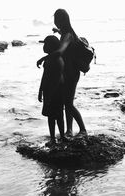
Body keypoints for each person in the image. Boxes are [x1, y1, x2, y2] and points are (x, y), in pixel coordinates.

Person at [37, 8, 87, 137]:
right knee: (66, 102)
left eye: (56, 20)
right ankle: (69, 130)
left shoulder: (67, 35)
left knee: (68, 103)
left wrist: (44, 58)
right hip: (67, 72)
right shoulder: (66, 33)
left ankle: (82, 129)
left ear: (62, 20)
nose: (55, 22)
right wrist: (57, 31)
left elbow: (60, 51)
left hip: (71, 73)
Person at [38, 35, 66, 146]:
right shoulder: (54, 59)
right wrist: (41, 91)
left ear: (52, 46)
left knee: (54, 116)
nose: (44, 46)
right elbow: (46, 76)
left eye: (46, 44)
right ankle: (58, 137)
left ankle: (56, 138)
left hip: (53, 91)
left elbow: (51, 78)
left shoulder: (54, 60)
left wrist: (46, 93)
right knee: (57, 115)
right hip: (54, 91)